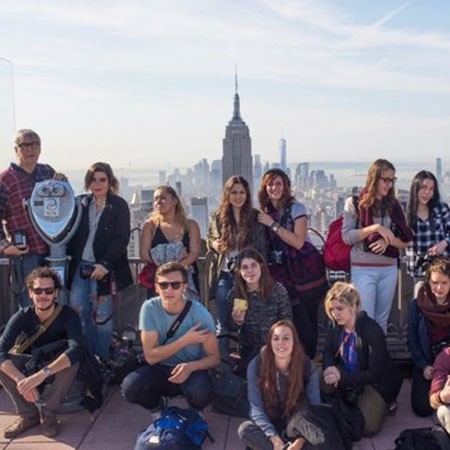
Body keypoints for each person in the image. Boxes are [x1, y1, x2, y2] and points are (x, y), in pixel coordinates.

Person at [121, 261, 220, 413]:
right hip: (161, 368)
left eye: (175, 285)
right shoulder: (149, 308)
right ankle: (158, 408)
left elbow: (214, 358)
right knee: (130, 387)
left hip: (191, 370)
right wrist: (185, 340)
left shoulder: (200, 314)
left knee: (201, 391)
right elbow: (151, 357)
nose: (169, 290)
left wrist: (190, 367)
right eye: (163, 285)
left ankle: (195, 412)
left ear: (184, 287)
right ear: (156, 287)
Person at [0, 267, 83, 439]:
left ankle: (48, 413)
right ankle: (28, 415)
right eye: (37, 291)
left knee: (72, 362)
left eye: (48, 290)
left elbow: (76, 349)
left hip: (56, 366)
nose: (43, 295)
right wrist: (21, 380)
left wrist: (41, 375)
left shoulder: (68, 315)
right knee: (5, 365)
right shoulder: (22, 316)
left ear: (56, 293)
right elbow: (1, 350)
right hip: (34, 363)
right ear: (30, 293)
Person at [258, 168, 328, 359]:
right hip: (279, 275)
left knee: (307, 322)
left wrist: (272, 224)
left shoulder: (296, 208)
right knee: (283, 320)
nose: (274, 188)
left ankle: (308, 362)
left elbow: (298, 241)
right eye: (270, 184)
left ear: (286, 186)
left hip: (304, 274)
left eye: (278, 183)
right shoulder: (264, 212)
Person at [67, 162, 133, 358]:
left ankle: (102, 359)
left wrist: (105, 264)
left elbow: (122, 238)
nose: (98, 184)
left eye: (102, 179)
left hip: (105, 270)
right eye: (93, 179)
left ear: (110, 181)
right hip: (81, 267)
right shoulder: (81, 203)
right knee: (78, 314)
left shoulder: (118, 205)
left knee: (102, 318)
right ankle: (87, 360)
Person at [322, 281, 402, 437]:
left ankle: (382, 404)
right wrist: (330, 368)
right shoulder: (335, 325)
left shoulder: (372, 330)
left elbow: (374, 373)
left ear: (354, 307)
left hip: (373, 383)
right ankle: (341, 403)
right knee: (320, 379)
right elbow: (327, 352)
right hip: (346, 376)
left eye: (340, 309)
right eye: (331, 309)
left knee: (369, 427)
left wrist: (342, 377)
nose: (334, 314)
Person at [341, 159, 413, 332]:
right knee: (365, 318)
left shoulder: (394, 206)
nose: (389, 185)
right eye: (385, 179)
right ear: (374, 178)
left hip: (388, 268)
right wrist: (374, 228)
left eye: (392, 180)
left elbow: (405, 240)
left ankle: (378, 357)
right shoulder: (355, 203)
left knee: (381, 320)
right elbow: (347, 236)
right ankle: (364, 357)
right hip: (363, 268)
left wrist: (385, 240)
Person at [0, 129, 66, 307]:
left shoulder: (47, 172)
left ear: (40, 148)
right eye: (25, 145)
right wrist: (5, 247)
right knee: (31, 304)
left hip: (54, 249)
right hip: (27, 253)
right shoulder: (5, 180)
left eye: (34, 145)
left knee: (57, 301)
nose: (30, 150)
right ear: (16, 150)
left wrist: (63, 182)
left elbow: (65, 205)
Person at [238, 320, 324, 450]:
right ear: (270, 342)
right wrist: (274, 438)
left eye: (286, 338)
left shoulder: (306, 365)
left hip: (297, 426)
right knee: (244, 430)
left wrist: (299, 441)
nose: (281, 343)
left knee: (318, 440)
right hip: (270, 423)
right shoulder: (256, 365)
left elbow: (314, 407)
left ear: (294, 342)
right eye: (276, 338)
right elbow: (256, 408)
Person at [206, 175, 267, 345]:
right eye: (234, 192)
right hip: (226, 274)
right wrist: (214, 244)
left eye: (242, 192)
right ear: (227, 194)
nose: (238, 196)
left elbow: (262, 248)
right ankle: (223, 362)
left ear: (247, 194)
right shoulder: (219, 216)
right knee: (223, 320)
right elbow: (210, 237)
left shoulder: (255, 217)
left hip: (248, 276)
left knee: (249, 320)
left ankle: (247, 359)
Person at [226, 248, 292, 374]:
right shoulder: (235, 294)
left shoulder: (277, 291)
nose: (250, 271)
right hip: (249, 350)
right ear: (239, 271)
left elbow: (287, 322)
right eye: (245, 267)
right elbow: (230, 327)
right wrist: (236, 321)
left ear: (261, 266)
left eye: (253, 265)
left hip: (276, 347)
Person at [140, 185, 201, 301]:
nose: (158, 202)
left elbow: (194, 253)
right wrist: (172, 260)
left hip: (185, 282)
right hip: (159, 283)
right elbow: (144, 255)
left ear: (174, 201)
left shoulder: (191, 225)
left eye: (163, 198)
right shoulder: (150, 226)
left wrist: (176, 268)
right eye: (155, 199)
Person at [407, 257, 450, 417]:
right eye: (435, 282)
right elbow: (412, 339)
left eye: (444, 283)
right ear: (428, 282)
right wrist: (423, 365)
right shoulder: (417, 305)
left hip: (448, 359)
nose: (439, 287)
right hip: (427, 361)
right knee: (422, 408)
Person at [406, 170, 450, 284]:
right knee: (420, 299)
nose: (427, 192)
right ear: (415, 188)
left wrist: (443, 243)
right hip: (419, 272)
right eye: (424, 187)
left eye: (431, 189)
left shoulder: (441, 209)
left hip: (443, 271)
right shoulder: (407, 212)